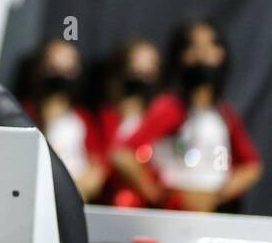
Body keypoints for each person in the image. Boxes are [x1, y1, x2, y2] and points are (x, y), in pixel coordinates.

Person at [111, 20, 262, 213]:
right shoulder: (171, 108)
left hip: (216, 211)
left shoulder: (224, 113)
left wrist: (219, 194)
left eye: (211, 45)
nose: (203, 54)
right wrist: (160, 193)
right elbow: (122, 154)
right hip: (176, 212)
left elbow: (251, 165)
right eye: (194, 46)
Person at [24, 38, 107, 202]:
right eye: (53, 67)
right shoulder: (23, 112)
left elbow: (98, 165)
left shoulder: (83, 118)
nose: (60, 74)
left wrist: (78, 190)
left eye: (68, 68)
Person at [96, 37, 162, 207]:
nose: (142, 76)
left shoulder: (160, 118)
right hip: (105, 206)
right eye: (136, 67)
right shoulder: (104, 117)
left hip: (148, 208)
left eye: (151, 66)